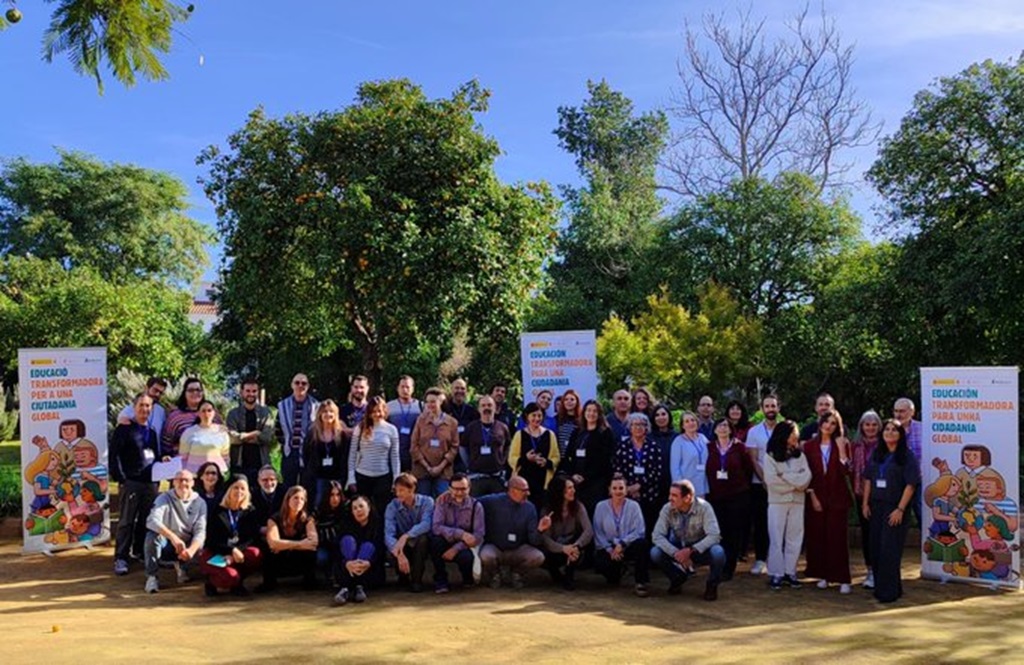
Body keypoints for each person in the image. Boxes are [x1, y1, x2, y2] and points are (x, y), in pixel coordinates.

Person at [862, 419, 920, 603]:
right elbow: (868, 479)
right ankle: (883, 587)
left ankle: (889, 593)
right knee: (876, 548)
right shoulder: (877, 453)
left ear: (901, 435)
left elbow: (911, 485)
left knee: (890, 549)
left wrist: (900, 509)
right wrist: (865, 503)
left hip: (895, 507)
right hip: (876, 507)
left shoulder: (907, 456)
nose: (889, 432)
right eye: (886, 429)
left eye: (894, 430)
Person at [650, 479, 726, 601]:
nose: (670, 498)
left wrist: (691, 550)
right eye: (670, 494)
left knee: (718, 552)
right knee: (655, 552)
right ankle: (677, 578)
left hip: (699, 549)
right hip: (678, 547)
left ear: (687, 498)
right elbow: (657, 535)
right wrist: (676, 553)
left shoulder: (705, 507)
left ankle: (712, 585)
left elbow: (714, 535)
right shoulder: (667, 508)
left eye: (674, 495)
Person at [111, 392, 161, 576]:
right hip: (131, 482)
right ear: (134, 407)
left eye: (148, 406)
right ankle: (121, 558)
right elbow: (114, 455)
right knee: (126, 521)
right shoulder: (124, 429)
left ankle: (139, 551)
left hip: (150, 483)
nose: (145, 409)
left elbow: (154, 455)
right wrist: (121, 479)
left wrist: (162, 464)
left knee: (147, 520)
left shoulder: (152, 432)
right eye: (141, 405)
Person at [804, 409, 853, 593]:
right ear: (820, 423)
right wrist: (812, 496)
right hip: (817, 497)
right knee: (819, 537)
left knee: (837, 538)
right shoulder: (809, 446)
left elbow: (847, 471)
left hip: (837, 498)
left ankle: (843, 578)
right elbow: (806, 474)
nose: (828, 426)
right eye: (826, 421)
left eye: (833, 423)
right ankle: (823, 575)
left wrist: (841, 452)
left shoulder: (843, 443)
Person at [763, 420, 811, 590]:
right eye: (792, 433)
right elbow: (771, 481)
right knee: (776, 537)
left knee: (795, 537)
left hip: (797, 502)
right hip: (777, 502)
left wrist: (785, 476)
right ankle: (776, 573)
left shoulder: (800, 456)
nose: (796, 436)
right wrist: (795, 483)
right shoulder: (770, 456)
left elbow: (806, 478)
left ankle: (790, 572)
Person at [705, 417, 754, 581]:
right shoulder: (709, 447)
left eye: (726, 425)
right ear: (714, 430)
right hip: (715, 497)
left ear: (731, 429)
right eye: (719, 425)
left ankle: (729, 568)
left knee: (734, 533)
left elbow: (748, 469)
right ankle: (718, 565)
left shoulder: (740, 447)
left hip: (737, 496)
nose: (723, 428)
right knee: (718, 532)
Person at [479, 475, 549, 589]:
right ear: (512, 490)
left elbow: (534, 540)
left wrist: (540, 530)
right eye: (524, 491)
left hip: (518, 548)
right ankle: (494, 575)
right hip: (495, 547)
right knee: (486, 555)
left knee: (538, 556)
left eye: (528, 490)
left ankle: (516, 574)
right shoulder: (492, 501)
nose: (528, 494)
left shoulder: (530, 508)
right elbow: (472, 502)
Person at [143, 469, 207, 593]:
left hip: (186, 544)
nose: (183, 483)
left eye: (186, 480)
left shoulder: (200, 503)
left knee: (200, 544)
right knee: (152, 536)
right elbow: (152, 521)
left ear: (193, 483)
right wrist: (173, 538)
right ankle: (152, 577)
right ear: (174, 482)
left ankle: (183, 568)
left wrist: (191, 550)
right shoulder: (163, 498)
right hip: (167, 543)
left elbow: (200, 531)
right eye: (179, 480)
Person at [199, 475, 263, 597]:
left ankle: (238, 583)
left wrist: (236, 552)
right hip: (215, 551)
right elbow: (212, 540)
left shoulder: (250, 511)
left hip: (238, 552)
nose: (239, 491)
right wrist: (230, 551)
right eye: (236, 488)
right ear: (229, 490)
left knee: (254, 554)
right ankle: (211, 582)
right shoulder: (217, 510)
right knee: (229, 577)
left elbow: (251, 537)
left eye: (243, 488)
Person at [592, 474, 650, 597]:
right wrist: (609, 549)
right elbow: (598, 532)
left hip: (627, 545)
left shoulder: (634, 506)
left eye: (621, 488)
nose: (618, 491)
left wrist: (623, 544)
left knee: (642, 545)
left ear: (626, 490)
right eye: (614, 488)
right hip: (609, 548)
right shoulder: (600, 507)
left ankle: (640, 582)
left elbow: (639, 530)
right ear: (609, 490)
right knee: (604, 567)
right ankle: (617, 571)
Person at [743, 394, 780, 576]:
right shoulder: (754, 432)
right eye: (767, 406)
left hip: (781, 484)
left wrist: (777, 481)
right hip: (760, 484)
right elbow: (753, 459)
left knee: (778, 524)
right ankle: (760, 559)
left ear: (778, 408)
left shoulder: (785, 428)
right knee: (761, 523)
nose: (770, 409)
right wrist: (765, 480)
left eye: (773, 406)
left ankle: (777, 560)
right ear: (762, 409)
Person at [346, 395, 400, 521]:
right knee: (362, 511)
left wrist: (396, 478)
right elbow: (352, 454)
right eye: (373, 411)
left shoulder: (391, 430)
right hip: (362, 476)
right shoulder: (360, 428)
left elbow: (395, 456)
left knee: (381, 512)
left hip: (383, 477)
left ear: (384, 411)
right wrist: (351, 478)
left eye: (379, 411)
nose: (376, 414)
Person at [558, 399, 615, 516]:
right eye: (588, 410)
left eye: (595, 411)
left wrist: (586, 476)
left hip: (596, 483)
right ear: (584, 412)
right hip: (576, 482)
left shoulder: (605, 433)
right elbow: (568, 455)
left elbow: (605, 461)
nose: (591, 413)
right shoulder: (577, 431)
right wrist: (573, 474)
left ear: (599, 414)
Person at [614, 412, 665, 541]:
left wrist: (639, 486)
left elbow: (657, 472)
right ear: (630, 427)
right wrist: (628, 488)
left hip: (649, 495)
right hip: (627, 494)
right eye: (635, 424)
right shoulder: (622, 446)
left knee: (648, 528)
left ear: (647, 428)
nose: (638, 427)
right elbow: (617, 469)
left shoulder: (654, 447)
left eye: (642, 425)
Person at [430, 472, 485, 593]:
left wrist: (456, 548)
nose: (459, 493)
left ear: (469, 489)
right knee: (435, 542)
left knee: (466, 558)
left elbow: (478, 535)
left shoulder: (476, 506)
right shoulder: (442, 502)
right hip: (446, 539)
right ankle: (441, 580)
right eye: (456, 489)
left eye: (463, 489)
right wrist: (461, 534)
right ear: (449, 488)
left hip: (464, 545)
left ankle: (467, 580)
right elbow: (436, 527)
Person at [259, 486, 318, 592]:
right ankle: (269, 583)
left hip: (297, 559)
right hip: (280, 560)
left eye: (302, 499)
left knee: (310, 552)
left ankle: (309, 582)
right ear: (287, 500)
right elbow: (273, 543)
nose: (299, 501)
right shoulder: (274, 519)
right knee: (267, 549)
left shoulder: (308, 519)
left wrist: (283, 545)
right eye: (295, 498)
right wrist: (300, 544)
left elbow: (313, 542)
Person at [540, 475, 593, 590]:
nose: (573, 491)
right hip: (555, 548)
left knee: (577, 548)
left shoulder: (578, 507)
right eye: (569, 488)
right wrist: (563, 548)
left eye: (573, 487)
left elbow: (588, 530)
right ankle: (554, 571)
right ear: (559, 491)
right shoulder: (547, 511)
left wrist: (576, 546)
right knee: (546, 554)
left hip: (573, 544)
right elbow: (545, 539)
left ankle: (569, 575)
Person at [384, 473, 434, 592]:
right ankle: (403, 576)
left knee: (423, 540)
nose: (398, 494)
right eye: (396, 490)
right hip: (401, 545)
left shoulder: (427, 501)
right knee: (390, 550)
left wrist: (406, 536)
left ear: (412, 489)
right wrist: (399, 554)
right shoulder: (392, 506)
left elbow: (427, 524)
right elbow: (388, 534)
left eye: (401, 490)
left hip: (418, 541)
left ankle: (417, 580)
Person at [851, 410, 883, 589]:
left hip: (882, 496)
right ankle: (870, 570)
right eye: (867, 424)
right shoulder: (855, 446)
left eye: (874, 424)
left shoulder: (885, 444)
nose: (870, 428)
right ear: (861, 426)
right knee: (867, 533)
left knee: (882, 533)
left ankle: (882, 571)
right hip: (861, 495)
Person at [334, 495, 385, 605]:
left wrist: (369, 563)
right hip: (346, 569)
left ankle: (359, 586)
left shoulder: (378, 524)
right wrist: (346, 563)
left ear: (369, 507)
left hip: (370, 570)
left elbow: (380, 550)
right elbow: (337, 551)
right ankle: (345, 588)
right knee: (347, 542)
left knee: (368, 546)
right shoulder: (346, 524)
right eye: (355, 508)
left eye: (361, 506)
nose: (358, 510)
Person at [410, 387, 460, 497]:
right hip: (422, 471)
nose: (429, 405)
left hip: (444, 472)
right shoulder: (420, 420)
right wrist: (427, 467)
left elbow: (454, 447)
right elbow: (414, 445)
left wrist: (440, 467)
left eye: (433, 401)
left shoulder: (452, 422)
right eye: (427, 402)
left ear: (440, 401)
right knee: (423, 502)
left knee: (444, 501)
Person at [509, 402, 560, 509]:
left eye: (539, 416)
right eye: (534, 415)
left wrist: (547, 462)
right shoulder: (519, 434)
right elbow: (512, 458)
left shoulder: (550, 434)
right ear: (527, 416)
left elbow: (556, 457)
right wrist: (526, 458)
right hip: (524, 480)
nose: (537, 418)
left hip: (543, 481)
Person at [226, 377, 275, 483]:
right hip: (239, 464)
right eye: (248, 391)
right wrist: (256, 433)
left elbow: (267, 437)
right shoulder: (233, 414)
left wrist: (242, 437)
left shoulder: (266, 413)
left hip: (261, 464)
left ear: (258, 392)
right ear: (242, 392)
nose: (251, 394)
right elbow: (232, 438)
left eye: (254, 391)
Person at [302, 399, 349, 506]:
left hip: (337, 475)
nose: (328, 414)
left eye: (331, 411)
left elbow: (345, 455)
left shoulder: (343, 434)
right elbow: (306, 455)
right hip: (318, 476)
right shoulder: (312, 434)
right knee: (318, 503)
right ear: (319, 414)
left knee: (336, 503)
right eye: (325, 411)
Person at [277, 373, 320, 489]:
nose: (300, 386)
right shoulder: (282, 405)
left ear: (308, 386)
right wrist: (284, 443)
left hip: (309, 454)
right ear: (292, 385)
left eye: (304, 383)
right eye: (297, 383)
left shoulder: (316, 406)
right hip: (290, 452)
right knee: (288, 488)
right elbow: (278, 429)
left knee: (308, 488)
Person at [162, 377, 221, 458]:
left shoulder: (213, 414)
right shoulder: (175, 417)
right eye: (191, 390)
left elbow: (221, 438)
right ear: (184, 393)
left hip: (210, 461)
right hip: (182, 462)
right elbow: (166, 444)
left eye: (198, 390)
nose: (195, 393)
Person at [463, 395, 510, 496]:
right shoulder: (471, 427)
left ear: (495, 408)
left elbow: (508, 446)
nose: (486, 408)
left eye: (489, 405)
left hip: (497, 477)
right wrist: (469, 463)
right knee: (476, 504)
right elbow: (463, 447)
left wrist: (502, 461)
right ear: (479, 409)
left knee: (498, 505)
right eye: (483, 405)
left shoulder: (503, 427)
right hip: (476, 477)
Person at [893, 397, 924, 527]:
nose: (898, 415)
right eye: (896, 411)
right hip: (897, 480)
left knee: (921, 512)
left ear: (912, 412)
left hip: (919, 479)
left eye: (902, 411)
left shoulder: (923, 428)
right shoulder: (891, 429)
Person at [180, 400, 231, 475]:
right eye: (203, 411)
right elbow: (183, 458)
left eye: (209, 410)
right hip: (194, 474)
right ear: (198, 413)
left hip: (216, 474)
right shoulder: (189, 432)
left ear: (214, 413)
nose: (206, 413)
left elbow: (225, 456)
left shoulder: (222, 432)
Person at [316, 480, 348, 589]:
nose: (335, 498)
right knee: (321, 558)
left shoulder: (345, 509)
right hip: (324, 544)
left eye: (338, 495)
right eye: (331, 495)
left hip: (339, 544)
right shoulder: (318, 510)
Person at [387, 375, 422, 473]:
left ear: (413, 389)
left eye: (408, 387)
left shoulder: (421, 406)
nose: (405, 390)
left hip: (414, 453)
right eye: (402, 387)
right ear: (397, 388)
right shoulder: (389, 406)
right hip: (393, 452)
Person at [670, 411, 710, 497]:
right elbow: (674, 468)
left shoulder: (703, 438)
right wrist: (679, 487)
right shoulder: (678, 441)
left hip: (702, 483)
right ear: (683, 426)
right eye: (687, 421)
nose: (691, 423)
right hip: (686, 485)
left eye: (693, 420)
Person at [444, 378, 479, 472]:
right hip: (448, 455)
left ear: (466, 391)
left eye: (462, 388)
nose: (459, 391)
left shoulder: (472, 412)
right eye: (457, 388)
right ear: (451, 390)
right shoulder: (444, 409)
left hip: (467, 454)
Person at [252, 465, 285, 543]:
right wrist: (260, 529)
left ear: (277, 480)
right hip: (258, 537)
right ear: (259, 481)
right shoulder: (251, 496)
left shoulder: (286, 494)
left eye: (272, 479)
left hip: (282, 535)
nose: (269, 483)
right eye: (265, 480)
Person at [650, 405, 677, 489]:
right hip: (653, 483)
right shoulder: (648, 438)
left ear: (669, 416)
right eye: (657, 415)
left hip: (673, 481)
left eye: (663, 414)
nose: (660, 417)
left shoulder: (677, 437)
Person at [553, 389, 582, 458]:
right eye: (566, 399)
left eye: (572, 399)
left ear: (577, 402)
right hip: (558, 458)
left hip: (574, 458)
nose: (569, 401)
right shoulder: (556, 419)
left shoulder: (581, 420)